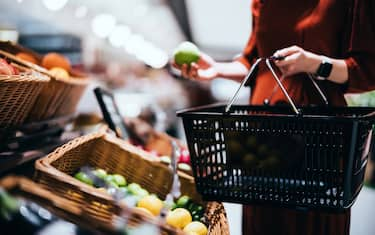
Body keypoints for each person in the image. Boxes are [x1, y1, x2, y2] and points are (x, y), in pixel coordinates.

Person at [172, 0, 375, 234]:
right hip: (261, 136)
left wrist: (316, 64)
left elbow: (366, 68)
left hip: (318, 136)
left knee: (311, 220)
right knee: (263, 219)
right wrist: (217, 69)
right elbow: (255, 62)